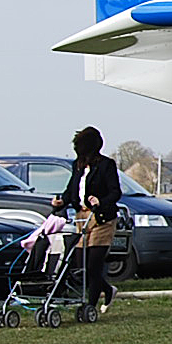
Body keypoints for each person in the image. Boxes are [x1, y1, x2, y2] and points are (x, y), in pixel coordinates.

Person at [52, 126, 121, 313]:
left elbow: (115, 192)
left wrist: (101, 201)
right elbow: (71, 190)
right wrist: (61, 202)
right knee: (80, 263)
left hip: (101, 219)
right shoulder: (78, 166)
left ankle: (90, 305)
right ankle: (107, 290)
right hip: (82, 218)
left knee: (93, 264)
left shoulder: (106, 165)